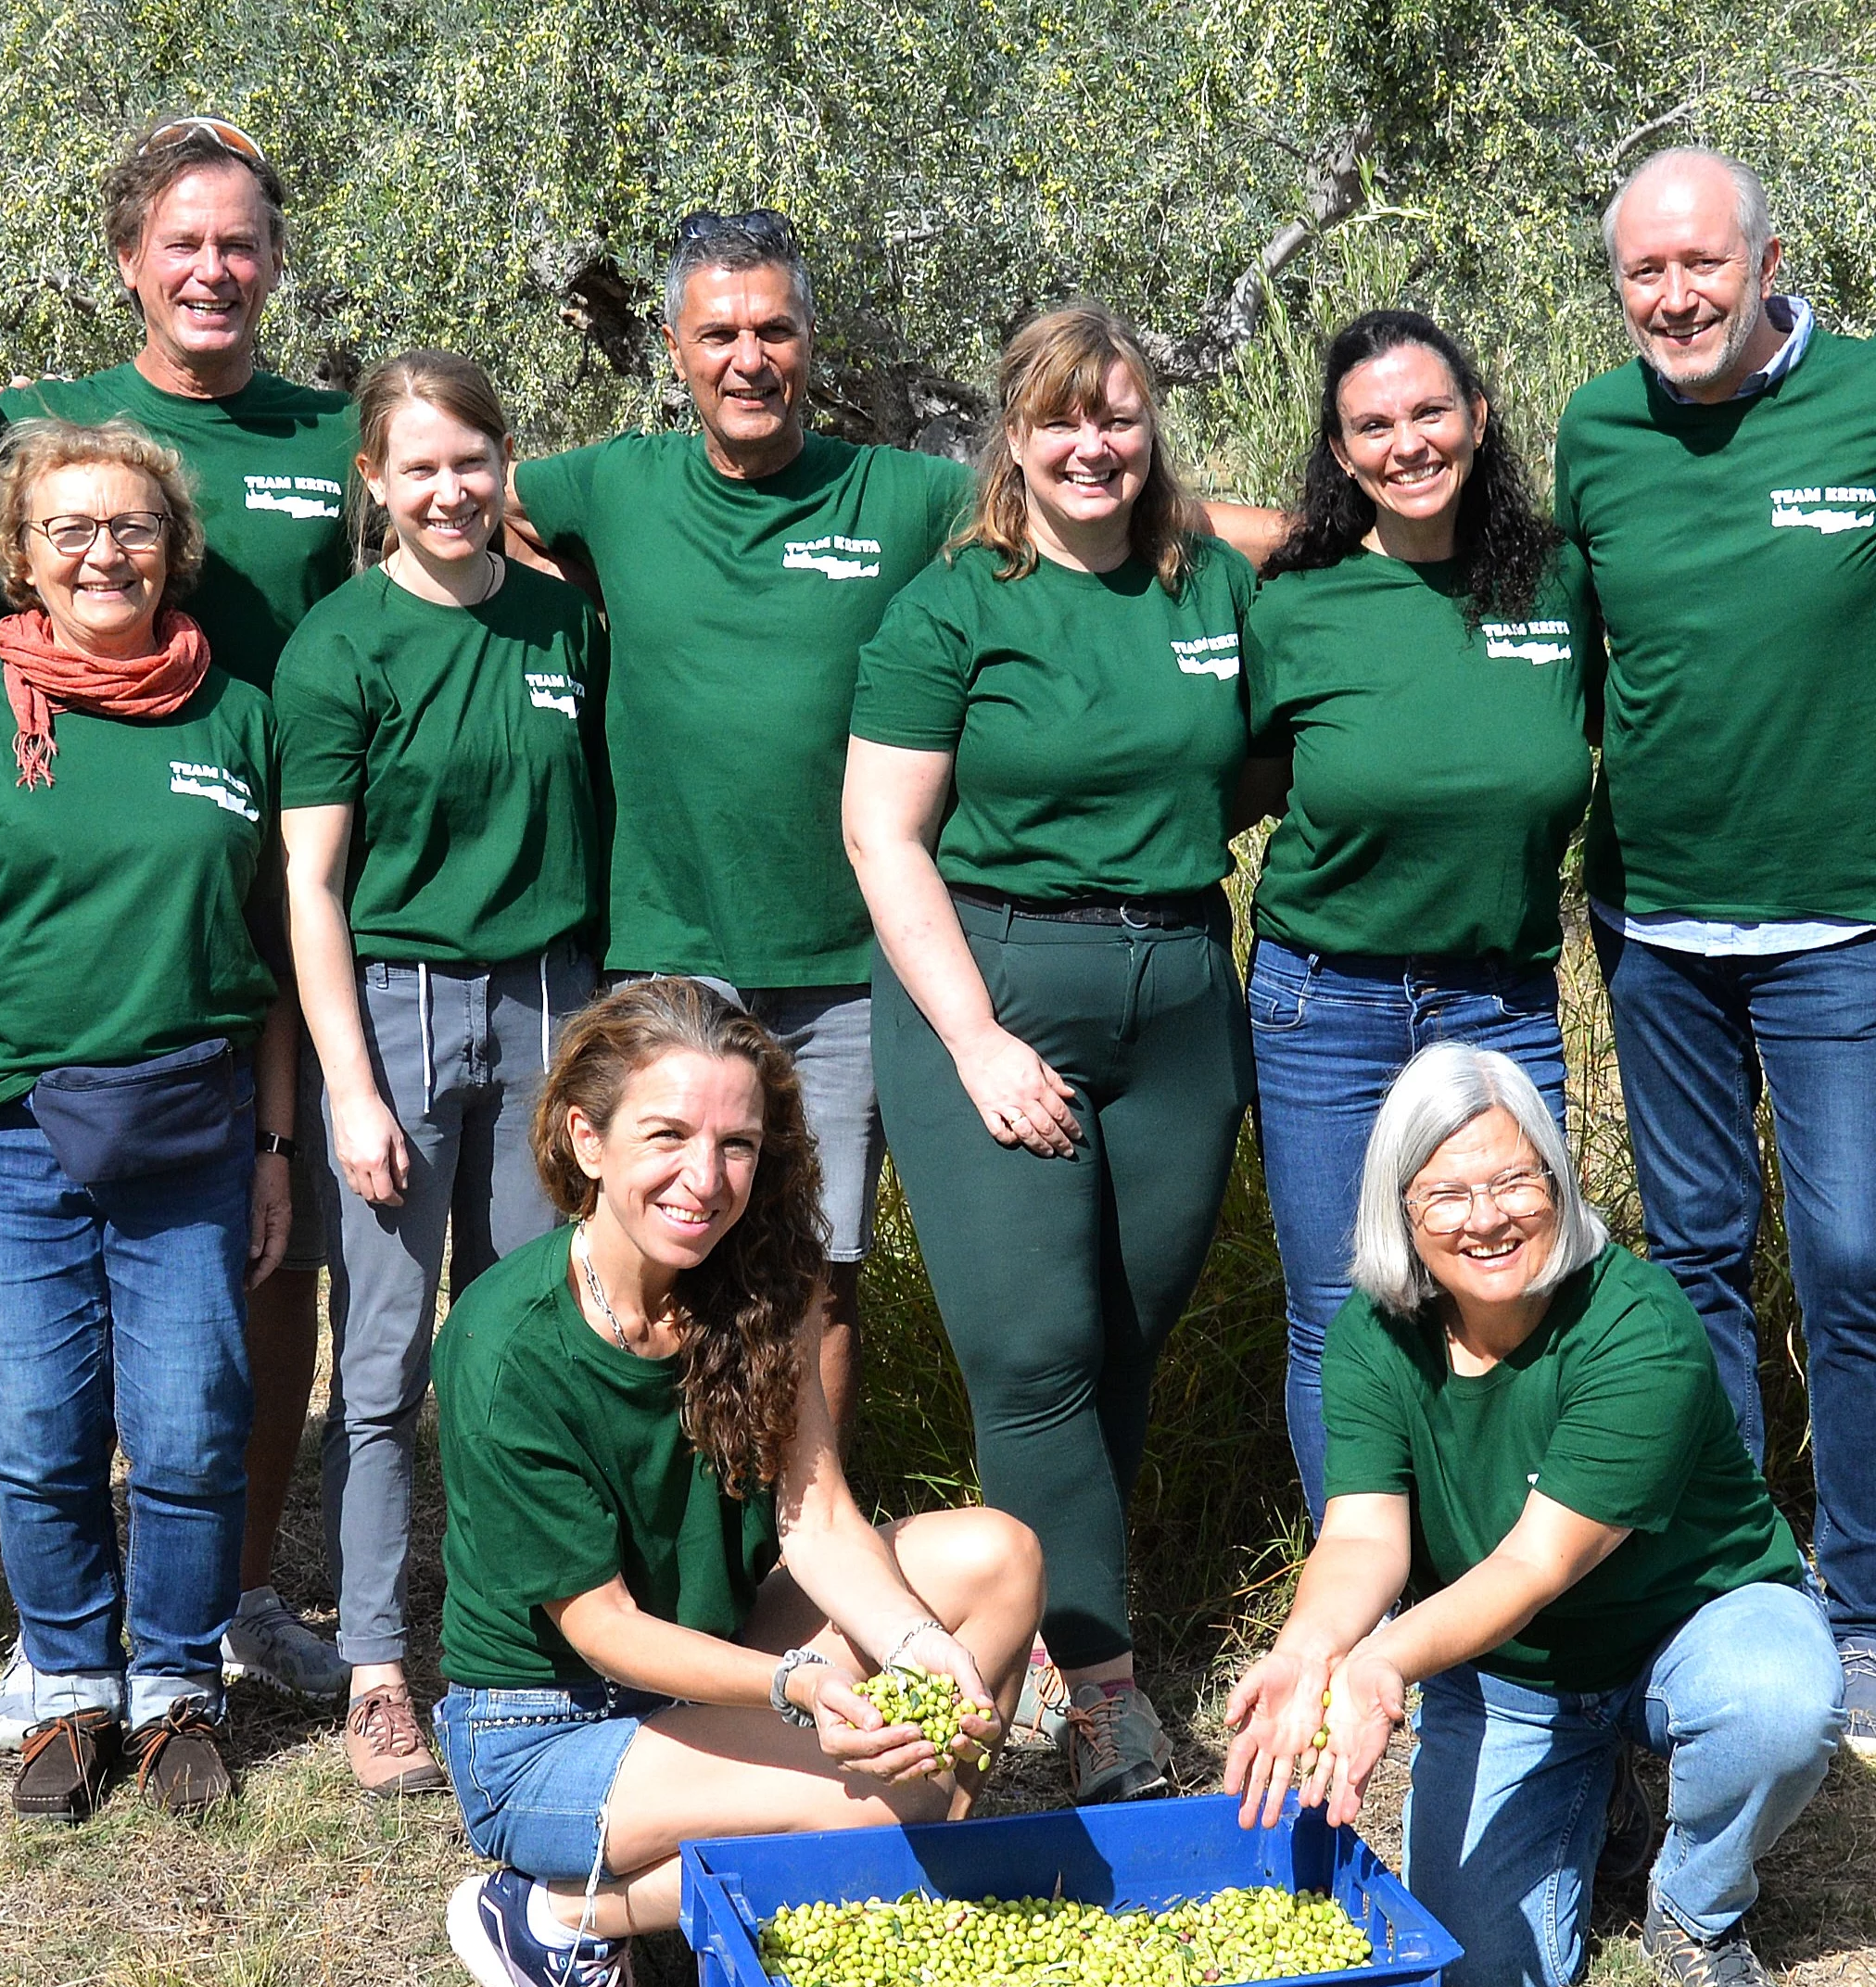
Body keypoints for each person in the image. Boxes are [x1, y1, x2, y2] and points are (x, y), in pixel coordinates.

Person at [432, 979, 1041, 1987]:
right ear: (588, 1137)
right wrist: (795, 1686)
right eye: (666, 1135)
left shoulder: (757, 1286)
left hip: (705, 1662)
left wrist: (913, 1647)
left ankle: (862, 1878)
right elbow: (604, 1631)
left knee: (999, 1559)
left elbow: (816, 1519)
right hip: (544, 1728)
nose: (704, 1181)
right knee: (871, 1796)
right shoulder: (505, 1341)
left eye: (737, 1144)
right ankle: (554, 1914)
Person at [1544, 149, 1876, 1756]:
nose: (1674, 296)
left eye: (1701, 263)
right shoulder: (1597, 428)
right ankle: (1729, 1584)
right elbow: (1556, 652)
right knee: (1694, 1259)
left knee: (1851, 1258)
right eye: (1643, 272)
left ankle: (1874, 1611)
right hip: (1652, 924)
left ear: (1769, 257)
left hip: (1839, 919)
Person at [1218, 1046, 1841, 1987]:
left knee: (1777, 1700)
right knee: (1475, 1974)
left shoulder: (1637, 1324)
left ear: (1556, 1183)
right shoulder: (1372, 1338)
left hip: (1687, 1618)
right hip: (1512, 1671)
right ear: (1402, 1212)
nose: (1486, 1216)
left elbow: (1531, 1565)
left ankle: (1694, 1908)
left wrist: (1379, 1660)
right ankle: (1600, 1801)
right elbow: (1363, 1535)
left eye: (1514, 1180)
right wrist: (1308, 1649)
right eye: (1447, 1194)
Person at [843, 302, 1256, 1804]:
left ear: (1152, 430)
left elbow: (1268, 734)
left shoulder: (1207, 586)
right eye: (1063, 419)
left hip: (1182, 991)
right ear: (1013, 437)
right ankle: (1104, 1699)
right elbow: (883, 835)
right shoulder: (954, 606)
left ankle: (1037, 1638)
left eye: (1122, 415)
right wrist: (975, 1038)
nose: (1095, 444)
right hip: (998, 979)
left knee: (1119, 1349)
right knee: (1033, 1357)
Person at [0, 418, 302, 1820]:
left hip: (190, 1125)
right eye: (68, 530)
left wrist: (278, 1145)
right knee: (42, 1435)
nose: (101, 552)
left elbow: (277, 960)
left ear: (174, 550)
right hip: (4, 1135)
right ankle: (67, 1681)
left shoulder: (238, 716)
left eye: (129, 528)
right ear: (20, 557)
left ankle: (174, 1686)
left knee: (186, 1429)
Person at [508, 209, 977, 1435]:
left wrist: (1327, 539)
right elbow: (460, 501)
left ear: (811, 342)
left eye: (772, 328)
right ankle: (668, 1545)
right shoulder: (606, 485)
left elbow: (1108, 507)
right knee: (649, 1264)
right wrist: (550, 597)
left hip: (838, 969)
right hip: (663, 962)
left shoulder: (905, 495)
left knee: (813, 1280)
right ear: (672, 345)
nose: (746, 357)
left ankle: (800, 1558)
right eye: (717, 332)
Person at [276, 350, 606, 1796]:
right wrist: (347, 1083)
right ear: (374, 484)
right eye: (416, 467)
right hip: (398, 1007)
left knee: (535, 1340)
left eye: (469, 459)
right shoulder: (339, 644)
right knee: (385, 1357)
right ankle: (370, 1663)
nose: (448, 489)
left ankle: (535, 1645)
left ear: (502, 461)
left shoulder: (558, 626)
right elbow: (308, 879)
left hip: (549, 1004)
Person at [1242, 308, 1596, 1519]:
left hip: (1498, 1004)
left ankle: (1500, 1605)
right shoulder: (1292, 605)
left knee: (1512, 1295)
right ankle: (1367, 1624)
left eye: (1429, 412)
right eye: (1372, 426)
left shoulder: (1556, 579)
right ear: (1338, 454)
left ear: (1478, 418)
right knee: (1343, 1311)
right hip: (1320, 1004)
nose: (1407, 443)